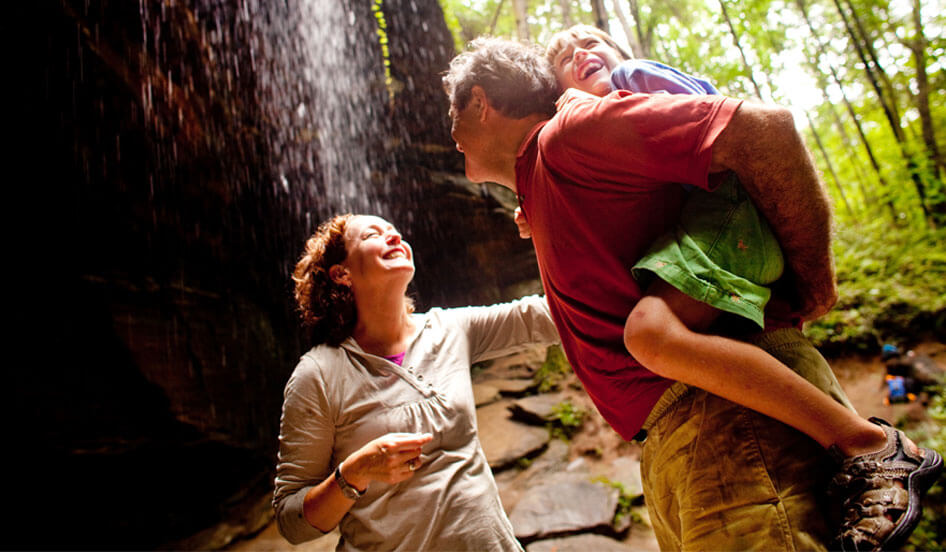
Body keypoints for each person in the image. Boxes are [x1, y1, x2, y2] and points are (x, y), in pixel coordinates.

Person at [443, 37, 942, 551]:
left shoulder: (567, 138)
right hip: (684, 438)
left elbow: (765, 130)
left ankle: (873, 445)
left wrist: (813, 285)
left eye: (453, 114)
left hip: (728, 419)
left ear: (481, 102)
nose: (451, 134)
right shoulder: (549, 180)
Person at [273, 214, 560, 551]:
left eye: (396, 232)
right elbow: (292, 521)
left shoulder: (450, 330)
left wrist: (548, 222)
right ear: (342, 274)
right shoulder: (319, 374)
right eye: (373, 235)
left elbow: (548, 317)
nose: (394, 237)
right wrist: (354, 473)